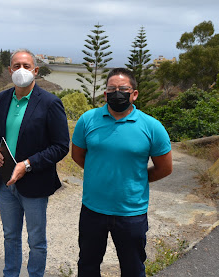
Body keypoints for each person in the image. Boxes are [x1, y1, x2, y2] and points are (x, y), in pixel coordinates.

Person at [71, 67, 173, 277]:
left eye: (123, 89)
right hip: (93, 210)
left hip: (131, 213)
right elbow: (78, 156)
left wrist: (137, 180)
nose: (117, 93)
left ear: (134, 93)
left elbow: (165, 168)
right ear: (105, 93)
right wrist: (98, 173)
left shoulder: (152, 126)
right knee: (87, 265)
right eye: (111, 89)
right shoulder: (87, 120)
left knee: (133, 268)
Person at [0, 50, 70, 277]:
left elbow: (61, 146)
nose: (21, 70)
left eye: (26, 65)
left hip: (34, 183)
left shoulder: (50, 102)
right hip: (6, 181)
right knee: (9, 236)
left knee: (36, 241)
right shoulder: (3, 98)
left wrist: (27, 164)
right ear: (9, 70)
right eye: (16, 66)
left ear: (36, 71)